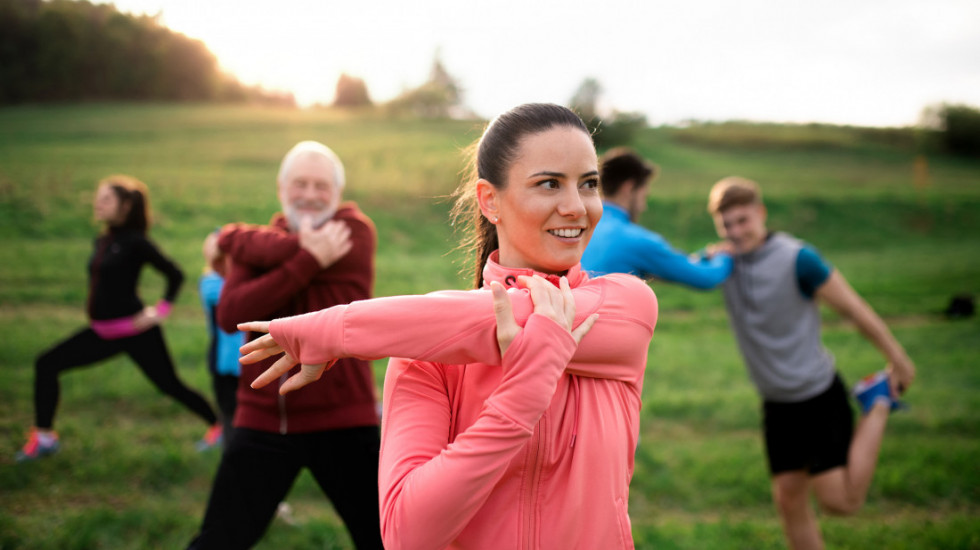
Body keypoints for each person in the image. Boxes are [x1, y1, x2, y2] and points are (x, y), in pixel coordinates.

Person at [239, 103, 659, 549]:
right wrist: (521, 398)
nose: (577, 207)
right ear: (490, 200)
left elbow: (491, 317)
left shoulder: (627, 304)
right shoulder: (426, 357)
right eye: (550, 184)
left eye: (588, 184)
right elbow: (406, 535)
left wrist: (335, 329)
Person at [188, 141, 384, 549]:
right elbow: (232, 315)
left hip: (345, 418)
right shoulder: (258, 246)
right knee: (220, 539)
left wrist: (232, 239)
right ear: (281, 188)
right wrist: (307, 259)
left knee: (386, 538)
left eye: (321, 186)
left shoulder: (353, 233)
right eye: (300, 184)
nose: (310, 195)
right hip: (264, 419)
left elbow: (252, 271)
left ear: (337, 193)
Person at [706, 176, 916, 550]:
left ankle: (879, 399)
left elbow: (854, 309)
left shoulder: (798, 259)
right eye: (727, 225)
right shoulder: (724, 262)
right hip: (776, 404)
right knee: (789, 500)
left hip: (817, 396)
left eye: (743, 221)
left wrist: (897, 359)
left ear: (761, 213)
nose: (737, 232)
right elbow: (678, 268)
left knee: (840, 503)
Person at [17, 175, 222, 463]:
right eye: (97, 198)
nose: (97, 204)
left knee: (169, 385)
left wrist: (158, 312)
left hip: (135, 333)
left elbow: (174, 274)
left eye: (105, 200)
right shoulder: (103, 239)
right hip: (102, 333)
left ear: (125, 206)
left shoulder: (136, 242)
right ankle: (45, 439)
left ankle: (219, 426)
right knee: (47, 363)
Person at [581, 147, 732, 288]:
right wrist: (725, 255)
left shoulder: (580, 229)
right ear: (629, 187)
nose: (643, 207)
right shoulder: (636, 240)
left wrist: (704, 257)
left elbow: (673, 263)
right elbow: (705, 277)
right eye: (644, 197)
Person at [198, 230, 243, 448]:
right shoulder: (210, 284)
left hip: (247, 360)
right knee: (228, 408)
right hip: (222, 361)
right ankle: (229, 445)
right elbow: (229, 299)